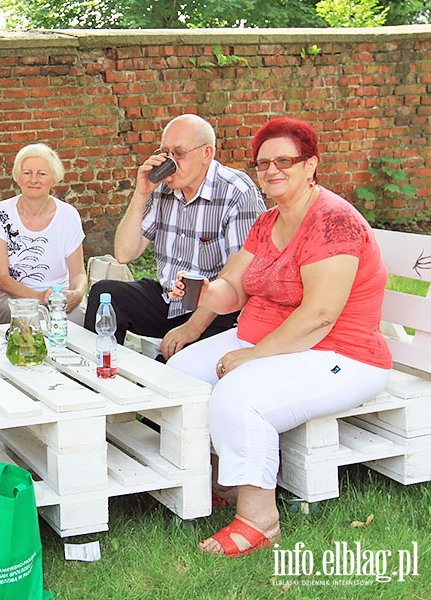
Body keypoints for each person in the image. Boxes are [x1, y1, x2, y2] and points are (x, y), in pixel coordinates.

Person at [167, 117, 392, 557]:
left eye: (284, 160)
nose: (272, 170)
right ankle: (222, 484)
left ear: (311, 165)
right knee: (181, 374)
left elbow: (320, 316)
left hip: (342, 354)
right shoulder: (267, 221)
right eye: (263, 163)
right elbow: (233, 288)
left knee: (240, 394)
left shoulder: (334, 222)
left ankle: (259, 519)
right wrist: (204, 290)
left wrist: (253, 358)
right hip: (275, 341)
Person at [84, 114, 265, 360]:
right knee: (106, 293)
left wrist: (192, 328)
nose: (170, 161)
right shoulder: (164, 189)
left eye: (179, 153)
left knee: (168, 366)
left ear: (206, 154)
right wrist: (141, 193)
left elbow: (238, 274)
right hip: (168, 298)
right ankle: (97, 372)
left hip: (215, 309)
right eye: (165, 152)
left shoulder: (236, 191)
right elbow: (125, 254)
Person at [0, 143, 87, 324]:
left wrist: (77, 294)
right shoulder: (0, 213)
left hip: (59, 300)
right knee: (37, 319)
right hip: (12, 299)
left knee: (82, 323)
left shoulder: (69, 215)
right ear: (17, 177)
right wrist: (40, 297)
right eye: (27, 173)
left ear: (54, 179)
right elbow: (2, 280)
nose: (34, 180)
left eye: (42, 174)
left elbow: (78, 274)